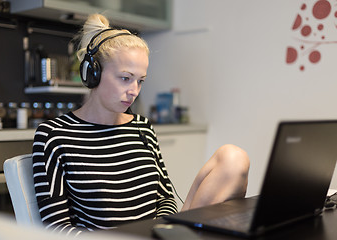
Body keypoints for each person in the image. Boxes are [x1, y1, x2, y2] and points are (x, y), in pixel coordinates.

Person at [32, 14, 250, 236]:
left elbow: (164, 198)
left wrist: (157, 232)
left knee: (233, 157)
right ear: (93, 74)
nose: (134, 91)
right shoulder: (53, 135)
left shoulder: (143, 128)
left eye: (140, 80)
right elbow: (56, 228)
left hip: (156, 235)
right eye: (125, 78)